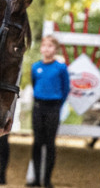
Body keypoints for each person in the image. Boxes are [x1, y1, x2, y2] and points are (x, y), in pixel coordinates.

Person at [28, 35, 70, 188]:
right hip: (39, 106)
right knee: (37, 142)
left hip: (53, 107)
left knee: (50, 143)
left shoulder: (60, 68)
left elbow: (66, 88)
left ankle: (47, 180)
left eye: (50, 46)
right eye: (44, 46)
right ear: (41, 48)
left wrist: (58, 103)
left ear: (56, 49)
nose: (47, 49)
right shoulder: (35, 67)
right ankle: (36, 178)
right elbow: (34, 84)